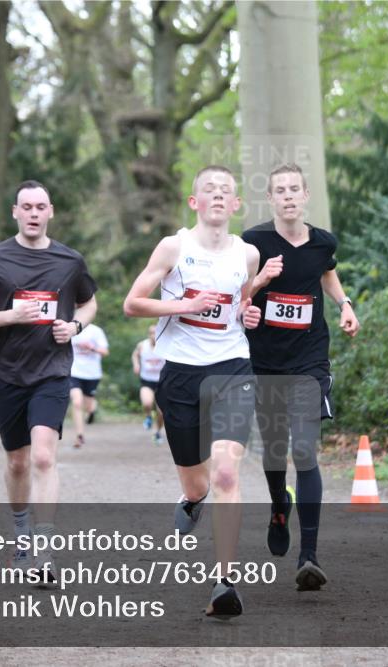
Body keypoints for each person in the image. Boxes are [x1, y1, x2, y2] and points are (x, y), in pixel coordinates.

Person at [123, 165, 261, 618]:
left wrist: (248, 314)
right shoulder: (174, 246)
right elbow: (132, 303)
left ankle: (225, 583)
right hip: (180, 373)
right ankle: (192, 500)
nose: (218, 196)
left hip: (233, 367)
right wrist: (184, 305)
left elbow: (239, 306)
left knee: (226, 474)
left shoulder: (248, 255)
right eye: (209, 190)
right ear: (194, 201)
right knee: (199, 482)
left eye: (226, 191)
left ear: (236, 204)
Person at [0, 180, 98, 576]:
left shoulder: (70, 261)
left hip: (52, 371)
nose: (34, 213)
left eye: (41, 207)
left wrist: (74, 327)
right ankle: (21, 534)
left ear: (51, 211)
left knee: (43, 455)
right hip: (7, 373)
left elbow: (89, 303)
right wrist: (9, 316)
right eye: (27, 207)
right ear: (15, 213)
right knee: (18, 463)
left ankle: (44, 551)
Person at [243, 163, 360, 592]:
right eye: (280, 190)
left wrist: (345, 303)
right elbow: (237, 293)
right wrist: (260, 281)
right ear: (270, 198)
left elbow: (325, 271)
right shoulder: (253, 242)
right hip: (265, 362)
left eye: (295, 189)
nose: (288, 196)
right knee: (274, 452)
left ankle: (308, 556)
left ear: (305, 195)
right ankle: (279, 505)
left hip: (310, 360)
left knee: (305, 451)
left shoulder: (322, 241)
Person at [69, 322, 109, 448]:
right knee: (76, 402)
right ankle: (79, 435)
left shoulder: (96, 331)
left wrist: (92, 347)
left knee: (89, 407)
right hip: (73, 372)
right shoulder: (70, 329)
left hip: (92, 374)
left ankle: (92, 411)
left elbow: (105, 352)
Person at [132, 324, 166, 444]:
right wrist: (136, 365)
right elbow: (135, 355)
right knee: (147, 403)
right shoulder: (142, 345)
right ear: (148, 334)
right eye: (151, 333)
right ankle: (148, 416)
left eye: (155, 332)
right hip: (147, 380)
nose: (153, 335)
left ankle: (157, 432)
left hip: (162, 383)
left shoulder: (165, 345)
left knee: (161, 412)